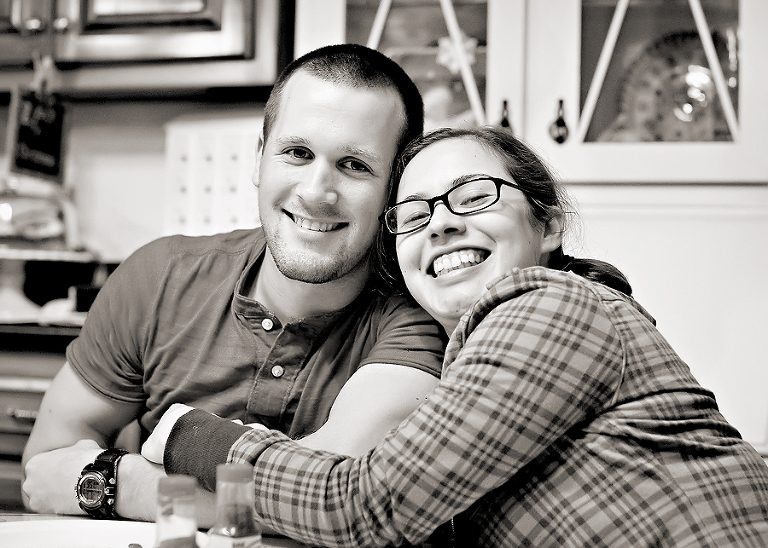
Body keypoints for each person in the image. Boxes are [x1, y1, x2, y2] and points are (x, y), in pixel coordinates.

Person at [147, 126, 768, 547]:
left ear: (549, 226)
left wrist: (185, 436)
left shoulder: (553, 304)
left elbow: (363, 506)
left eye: (472, 197)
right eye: (415, 214)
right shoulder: (467, 364)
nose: (440, 225)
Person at [21, 44, 448, 524]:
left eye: (354, 165)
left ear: (396, 188)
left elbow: (325, 501)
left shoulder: (419, 318)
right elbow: (44, 471)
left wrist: (129, 485)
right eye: (297, 153)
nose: (315, 192)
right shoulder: (159, 277)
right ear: (260, 158)